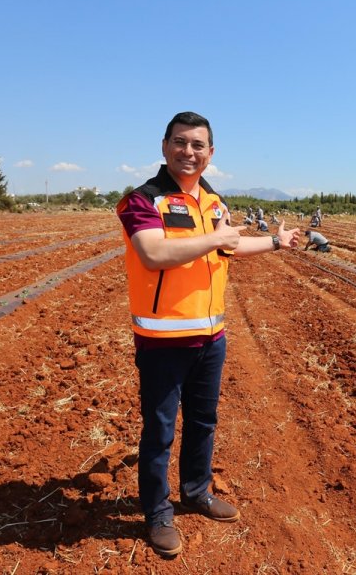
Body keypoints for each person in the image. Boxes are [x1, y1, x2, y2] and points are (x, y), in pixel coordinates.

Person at [116, 111, 300, 557]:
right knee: (160, 432)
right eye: (180, 142)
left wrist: (276, 242)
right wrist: (216, 238)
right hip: (162, 342)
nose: (188, 151)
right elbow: (153, 253)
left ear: (210, 153)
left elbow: (229, 246)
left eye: (198, 145)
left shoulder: (214, 203)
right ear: (164, 147)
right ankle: (158, 513)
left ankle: (196, 492)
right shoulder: (143, 200)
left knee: (203, 422)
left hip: (211, 336)